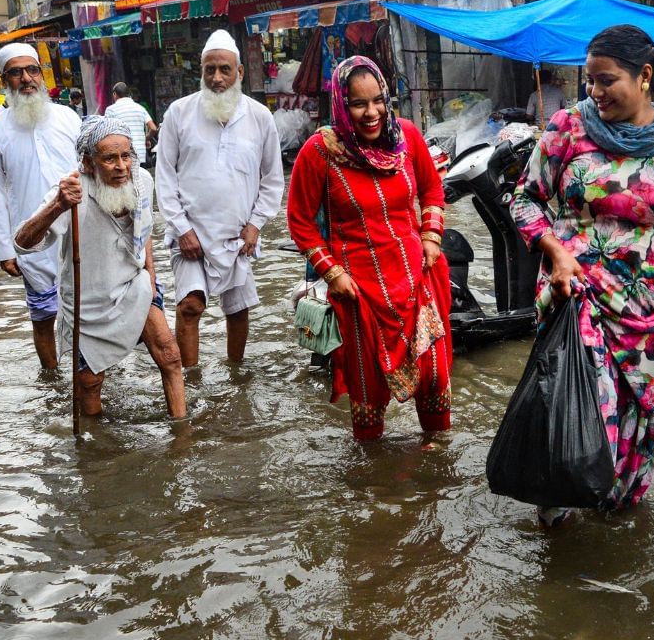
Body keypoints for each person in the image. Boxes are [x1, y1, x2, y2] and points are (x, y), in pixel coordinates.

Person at [511, 25, 654, 526]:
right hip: (578, 303)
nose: (595, 92)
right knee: (576, 424)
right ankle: (559, 554)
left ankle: (616, 554)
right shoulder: (568, 128)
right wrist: (555, 253)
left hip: (653, 315)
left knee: (637, 443)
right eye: (589, 81)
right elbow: (524, 199)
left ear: (645, 76)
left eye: (606, 80)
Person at [286, 56, 453, 442]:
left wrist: (431, 236)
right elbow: (300, 222)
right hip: (359, 291)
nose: (371, 112)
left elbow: (432, 191)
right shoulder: (320, 152)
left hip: (419, 280)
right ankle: (373, 481)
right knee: (368, 392)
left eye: (378, 100)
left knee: (434, 378)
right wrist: (333, 273)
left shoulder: (408, 137)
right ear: (342, 105)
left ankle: (436, 462)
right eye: (358, 103)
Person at [13, 116, 186, 419]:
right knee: (90, 381)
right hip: (88, 301)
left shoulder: (142, 180)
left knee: (170, 355)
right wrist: (58, 206)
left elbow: (143, 230)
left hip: (134, 285)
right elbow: (23, 243)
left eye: (126, 156)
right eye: (109, 158)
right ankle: (95, 449)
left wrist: (151, 278)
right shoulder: (70, 192)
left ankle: (181, 429)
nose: (121, 166)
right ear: (88, 162)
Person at [155, 29, 283, 366]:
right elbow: (164, 177)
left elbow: (272, 180)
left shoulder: (260, 117)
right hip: (190, 235)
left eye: (224, 69)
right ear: (201, 72)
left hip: (238, 236)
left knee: (238, 310)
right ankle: (190, 386)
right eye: (209, 69)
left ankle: (236, 375)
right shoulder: (178, 113)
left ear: (239, 72)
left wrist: (256, 226)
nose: (216, 78)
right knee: (190, 306)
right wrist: (181, 228)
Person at [0, 42, 83, 370]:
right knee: (43, 315)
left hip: (79, 232)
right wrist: (3, 250)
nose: (26, 78)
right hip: (31, 238)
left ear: (41, 74)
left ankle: (92, 378)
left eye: (32, 70)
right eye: (15, 72)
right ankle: (53, 382)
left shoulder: (68, 118)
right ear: (3, 80)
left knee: (88, 312)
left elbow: (92, 173)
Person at [104, 82, 158, 166]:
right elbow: (153, 128)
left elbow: (107, 133)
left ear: (114, 94)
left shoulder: (111, 110)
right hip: (140, 154)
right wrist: (146, 139)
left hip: (123, 155)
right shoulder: (140, 108)